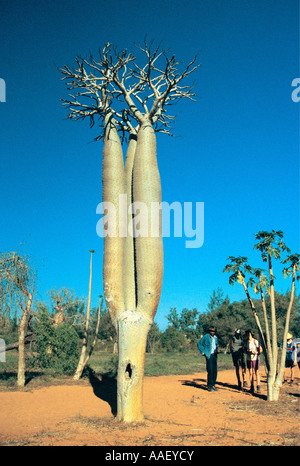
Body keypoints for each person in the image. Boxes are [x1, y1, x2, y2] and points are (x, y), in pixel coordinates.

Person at [198, 326, 219, 392]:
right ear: (209, 331)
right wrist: (203, 352)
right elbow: (200, 344)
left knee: (214, 371)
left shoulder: (215, 338)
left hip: (214, 355)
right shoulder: (206, 337)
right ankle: (209, 386)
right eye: (211, 331)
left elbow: (216, 345)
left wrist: (217, 350)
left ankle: (213, 385)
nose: (212, 332)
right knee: (210, 370)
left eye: (213, 331)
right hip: (209, 355)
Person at [243, 330, 262, 394]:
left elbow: (260, 349)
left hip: (255, 358)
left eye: (249, 335)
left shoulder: (255, 341)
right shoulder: (246, 342)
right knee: (250, 373)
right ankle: (252, 386)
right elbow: (245, 350)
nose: (248, 336)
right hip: (249, 358)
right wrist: (247, 351)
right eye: (247, 335)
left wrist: (256, 353)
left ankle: (258, 386)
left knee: (257, 372)